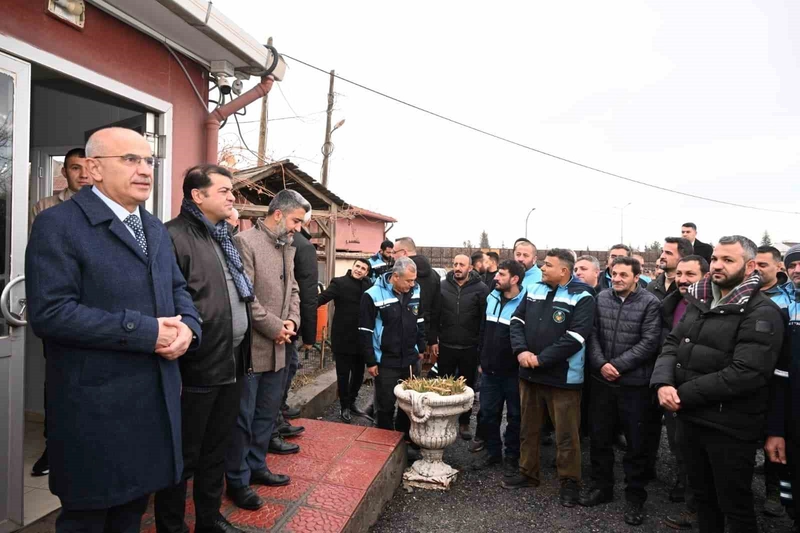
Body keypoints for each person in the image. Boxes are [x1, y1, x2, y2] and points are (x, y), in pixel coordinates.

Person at [26, 127, 201, 533]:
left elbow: (179, 290)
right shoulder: (58, 224)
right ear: (93, 169)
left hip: (152, 405)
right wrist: (146, 332)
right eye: (129, 159)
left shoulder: (154, 228)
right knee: (89, 517)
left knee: (131, 514)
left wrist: (189, 328)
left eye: (148, 161)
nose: (144, 170)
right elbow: (51, 313)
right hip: (95, 410)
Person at [651, 235, 784, 533]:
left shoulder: (762, 312)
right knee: (704, 499)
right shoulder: (700, 300)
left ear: (749, 267)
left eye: (728, 260)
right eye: (714, 259)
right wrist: (662, 382)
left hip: (729, 428)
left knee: (734, 505)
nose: (717, 265)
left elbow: (747, 372)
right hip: (690, 419)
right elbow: (672, 344)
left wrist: (680, 394)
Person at [155, 165, 253, 533]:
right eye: (224, 190)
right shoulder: (172, 236)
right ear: (198, 195)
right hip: (196, 366)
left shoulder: (223, 236)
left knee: (216, 449)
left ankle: (209, 521)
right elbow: (167, 300)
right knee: (182, 455)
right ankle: (171, 526)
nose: (232, 197)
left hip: (232, 362)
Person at [225, 189, 306, 510]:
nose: (298, 228)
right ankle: (237, 479)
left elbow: (294, 289)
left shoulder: (287, 247)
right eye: (296, 221)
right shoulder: (245, 242)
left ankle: (257, 465)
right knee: (243, 419)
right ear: (278, 214)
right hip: (253, 348)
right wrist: (275, 327)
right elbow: (246, 297)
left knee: (267, 413)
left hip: (281, 346)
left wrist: (292, 321)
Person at [503, 248, 595, 510]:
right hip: (529, 374)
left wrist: (541, 359)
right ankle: (528, 472)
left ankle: (569, 482)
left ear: (564, 271)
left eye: (548, 265)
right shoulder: (534, 289)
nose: (542, 268)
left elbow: (576, 337)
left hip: (562, 378)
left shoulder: (583, 296)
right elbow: (516, 320)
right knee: (528, 427)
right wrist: (521, 352)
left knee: (566, 434)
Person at [580, 257, 662, 527]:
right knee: (600, 437)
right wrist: (601, 364)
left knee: (636, 444)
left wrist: (617, 366)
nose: (617, 279)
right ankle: (602, 487)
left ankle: (635, 497)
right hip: (602, 382)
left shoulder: (650, 303)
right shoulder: (601, 298)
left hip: (634, 385)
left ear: (637, 277)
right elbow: (592, 334)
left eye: (624, 275)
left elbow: (649, 342)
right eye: (614, 274)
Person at [28, 147, 92, 478]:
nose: (82, 174)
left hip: (97, 310)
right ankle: (53, 448)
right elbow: (41, 260)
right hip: (61, 309)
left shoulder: (107, 208)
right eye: (74, 168)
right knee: (58, 381)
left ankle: (88, 450)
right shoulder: (45, 209)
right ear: (64, 172)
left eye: (87, 167)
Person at [657, 255, 709, 531]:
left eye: (690, 274)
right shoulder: (673, 304)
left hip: (699, 392)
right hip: (671, 387)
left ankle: (701, 510)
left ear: (706, 276)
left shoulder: (712, 307)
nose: (683, 280)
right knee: (680, 447)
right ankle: (691, 500)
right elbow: (668, 345)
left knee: (703, 457)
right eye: (679, 274)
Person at [360, 257, 426, 439]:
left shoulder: (416, 290)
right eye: (408, 281)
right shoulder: (372, 295)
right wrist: (371, 361)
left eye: (414, 280)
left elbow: (420, 319)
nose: (412, 284)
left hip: (410, 359)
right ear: (395, 276)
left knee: (409, 403)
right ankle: (386, 441)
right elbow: (365, 331)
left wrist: (421, 347)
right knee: (385, 405)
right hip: (386, 360)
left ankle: (404, 439)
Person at [472, 259, 526, 474]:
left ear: (514, 279)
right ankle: (493, 452)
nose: (496, 277)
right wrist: (481, 360)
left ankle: (512, 456)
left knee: (515, 416)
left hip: (514, 373)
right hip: (489, 370)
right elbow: (483, 331)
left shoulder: (526, 303)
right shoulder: (491, 297)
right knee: (487, 413)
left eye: (502, 274)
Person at [432, 254, 490, 440]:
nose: (457, 267)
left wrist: (481, 345)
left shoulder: (481, 289)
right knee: (443, 385)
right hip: (446, 345)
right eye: (455, 264)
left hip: (470, 347)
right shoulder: (442, 286)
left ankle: (464, 422)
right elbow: (435, 314)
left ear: (470, 268)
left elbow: (484, 320)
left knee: (467, 387)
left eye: (462, 265)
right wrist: (433, 340)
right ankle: (443, 419)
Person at [754, 245, 792, 518]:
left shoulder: (786, 299)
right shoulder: (743, 294)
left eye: (763, 265)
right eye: (753, 264)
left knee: (776, 433)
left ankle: (773, 490)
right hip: (748, 377)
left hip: (777, 379)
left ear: (778, 268)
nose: (756, 269)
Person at [765, 244, 800, 531]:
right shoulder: (780, 302)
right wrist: (775, 428)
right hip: (789, 402)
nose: (797, 269)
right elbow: (781, 370)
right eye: (792, 265)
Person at [272, 225, 317, 440]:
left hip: (286, 321)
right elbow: (307, 293)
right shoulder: (303, 246)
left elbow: (297, 290)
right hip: (284, 325)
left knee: (286, 369)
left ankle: (278, 414)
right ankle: (275, 423)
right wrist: (308, 333)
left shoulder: (291, 243)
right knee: (280, 374)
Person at [318, 258, 373, 422]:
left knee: (358, 375)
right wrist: (306, 305)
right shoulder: (339, 283)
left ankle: (352, 402)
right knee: (343, 374)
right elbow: (323, 298)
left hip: (361, 338)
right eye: (357, 266)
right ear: (353, 266)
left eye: (363, 268)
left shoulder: (368, 285)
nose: (359, 270)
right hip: (342, 337)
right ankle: (344, 407)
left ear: (367, 272)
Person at [394, 237, 441, 348]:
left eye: (394, 252)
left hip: (399, 334)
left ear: (404, 253)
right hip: (424, 333)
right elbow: (436, 309)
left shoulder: (396, 275)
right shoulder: (434, 275)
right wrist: (432, 338)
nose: (392, 256)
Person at [30, 147, 91, 224]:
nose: (84, 175)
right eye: (75, 168)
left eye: (89, 168)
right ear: (64, 172)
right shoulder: (43, 206)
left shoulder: (105, 204)